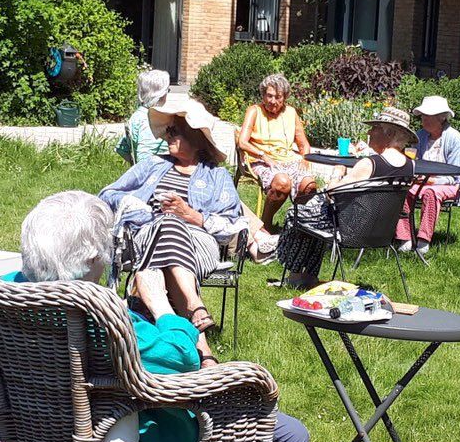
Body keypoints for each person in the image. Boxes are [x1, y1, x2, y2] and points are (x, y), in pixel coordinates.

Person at [18, 189, 309, 442]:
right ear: (87, 261)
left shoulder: (15, 292)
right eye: (104, 252)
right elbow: (179, 360)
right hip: (133, 430)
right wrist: (162, 307)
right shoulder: (96, 318)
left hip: (42, 438)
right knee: (289, 435)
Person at [98, 93, 245, 362]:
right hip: (148, 236)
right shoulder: (153, 165)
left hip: (198, 243)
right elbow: (107, 194)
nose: (167, 136)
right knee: (166, 224)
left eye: (174, 131)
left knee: (169, 227)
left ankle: (175, 340)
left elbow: (231, 226)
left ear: (195, 137)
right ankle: (197, 323)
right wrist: (138, 207)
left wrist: (191, 215)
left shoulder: (216, 176)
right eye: (167, 131)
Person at [274, 105, 414, 291]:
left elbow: (333, 192)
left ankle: (292, 270)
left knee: (296, 213)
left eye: (375, 127)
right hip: (381, 231)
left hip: (351, 228)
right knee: (314, 214)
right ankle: (306, 276)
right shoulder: (410, 166)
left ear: (388, 134)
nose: (369, 132)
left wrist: (337, 173)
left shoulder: (369, 164)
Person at [238, 73, 318, 227]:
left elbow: (303, 144)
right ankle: (265, 225)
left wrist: (305, 159)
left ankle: (298, 226)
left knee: (309, 186)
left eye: (278, 97)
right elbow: (242, 142)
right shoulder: (254, 111)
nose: (273, 101)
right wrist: (263, 155)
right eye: (269, 96)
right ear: (263, 95)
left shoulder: (291, 113)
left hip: (288, 160)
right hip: (261, 160)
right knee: (282, 183)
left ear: (285, 97)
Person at [399, 92, 460, 255]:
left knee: (431, 193)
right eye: (422, 116)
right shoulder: (420, 135)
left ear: (441, 118)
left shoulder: (454, 138)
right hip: (422, 182)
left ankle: (423, 241)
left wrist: (430, 181)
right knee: (403, 190)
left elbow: (455, 174)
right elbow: (414, 161)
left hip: (449, 184)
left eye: (427, 116)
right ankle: (405, 238)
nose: (423, 119)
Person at [117, 68, 171, 164]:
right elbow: (144, 154)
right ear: (160, 94)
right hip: (156, 173)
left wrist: (133, 164)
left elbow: (122, 148)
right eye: (168, 90)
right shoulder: (150, 119)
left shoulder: (138, 114)